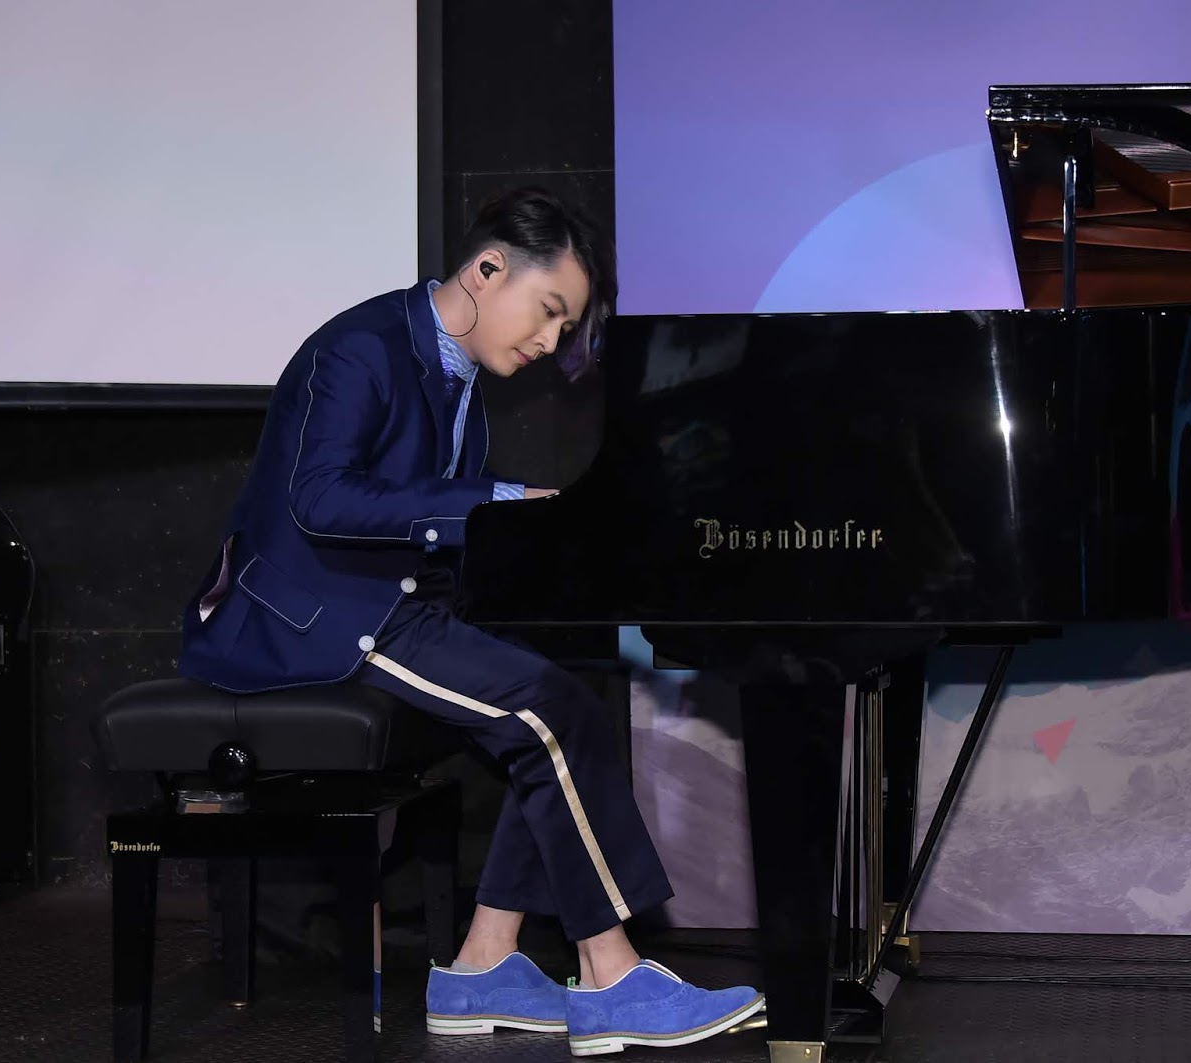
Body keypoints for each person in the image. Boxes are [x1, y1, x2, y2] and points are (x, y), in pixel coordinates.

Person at [177, 187, 764, 1055]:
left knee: (572, 674)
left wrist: (529, 534)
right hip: (310, 614)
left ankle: (483, 963)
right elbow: (319, 498)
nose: (551, 341)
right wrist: (494, 502)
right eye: (549, 310)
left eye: (566, 326)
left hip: (390, 603)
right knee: (545, 705)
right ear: (489, 270)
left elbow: (433, 523)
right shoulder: (360, 348)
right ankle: (611, 975)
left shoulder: (460, 379)